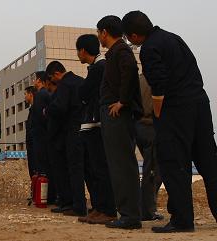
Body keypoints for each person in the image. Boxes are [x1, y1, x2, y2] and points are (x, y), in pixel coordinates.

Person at [122, 10, 217, 233]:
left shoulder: (149, 48)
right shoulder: (174, 38)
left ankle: (182, 220)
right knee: (210, 163)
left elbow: (159, 85)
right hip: (199, 103)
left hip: (176, 108)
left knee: (174, 164)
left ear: (134, 35)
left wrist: (158, 115)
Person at [97, 15, 143, 229]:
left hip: (117, 116)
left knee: (122, 165)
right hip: (112, 115)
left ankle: (130, 215)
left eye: (99, 32)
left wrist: (122, 102)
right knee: (118, 165)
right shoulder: (116, 52)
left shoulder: (121, 50)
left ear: (104, 32)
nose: (99, 37)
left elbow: (131, 72)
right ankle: (128, 213)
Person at [75, 34, 117, 224]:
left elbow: (83, 93)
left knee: (100, 169)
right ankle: (99, 208)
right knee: (94, 169)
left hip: (96, 124)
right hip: (91, 124)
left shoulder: (99, 68)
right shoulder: (96, 67)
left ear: (83, 50)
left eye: (78, 50)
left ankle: (106, 209)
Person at [46, 61, 86, 217]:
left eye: (51, 78)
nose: (52, 82)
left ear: (56, 74)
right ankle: (83, 204)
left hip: (71, 131)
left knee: (73, 169)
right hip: (84, 128)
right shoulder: (80, 81)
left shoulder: (65, 84)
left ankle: (77, 206)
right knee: (84, 170)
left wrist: (48, 110)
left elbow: (61, 107)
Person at [135, 74, 163, 222]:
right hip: (151, 126)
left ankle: (145, 208)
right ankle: (147, 210)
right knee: (153, 172)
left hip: (138, 126)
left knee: (149, 170)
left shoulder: (139, 79)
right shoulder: (156, 79)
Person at [32, 71, 56, 204]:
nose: (34, 82)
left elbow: (41, 117)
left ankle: (48, 196)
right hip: (44, 135)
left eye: (35, 79)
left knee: (44, 167)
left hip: (41, 136)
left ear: (39, 80)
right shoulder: (45, 94)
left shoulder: (41, 95)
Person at [24, 86, 37, 178]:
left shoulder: (36, 109)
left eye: (25, 94)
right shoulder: (32, 110)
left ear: (30, 94)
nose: (24, 97)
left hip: (35, 147)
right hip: (31, 147)